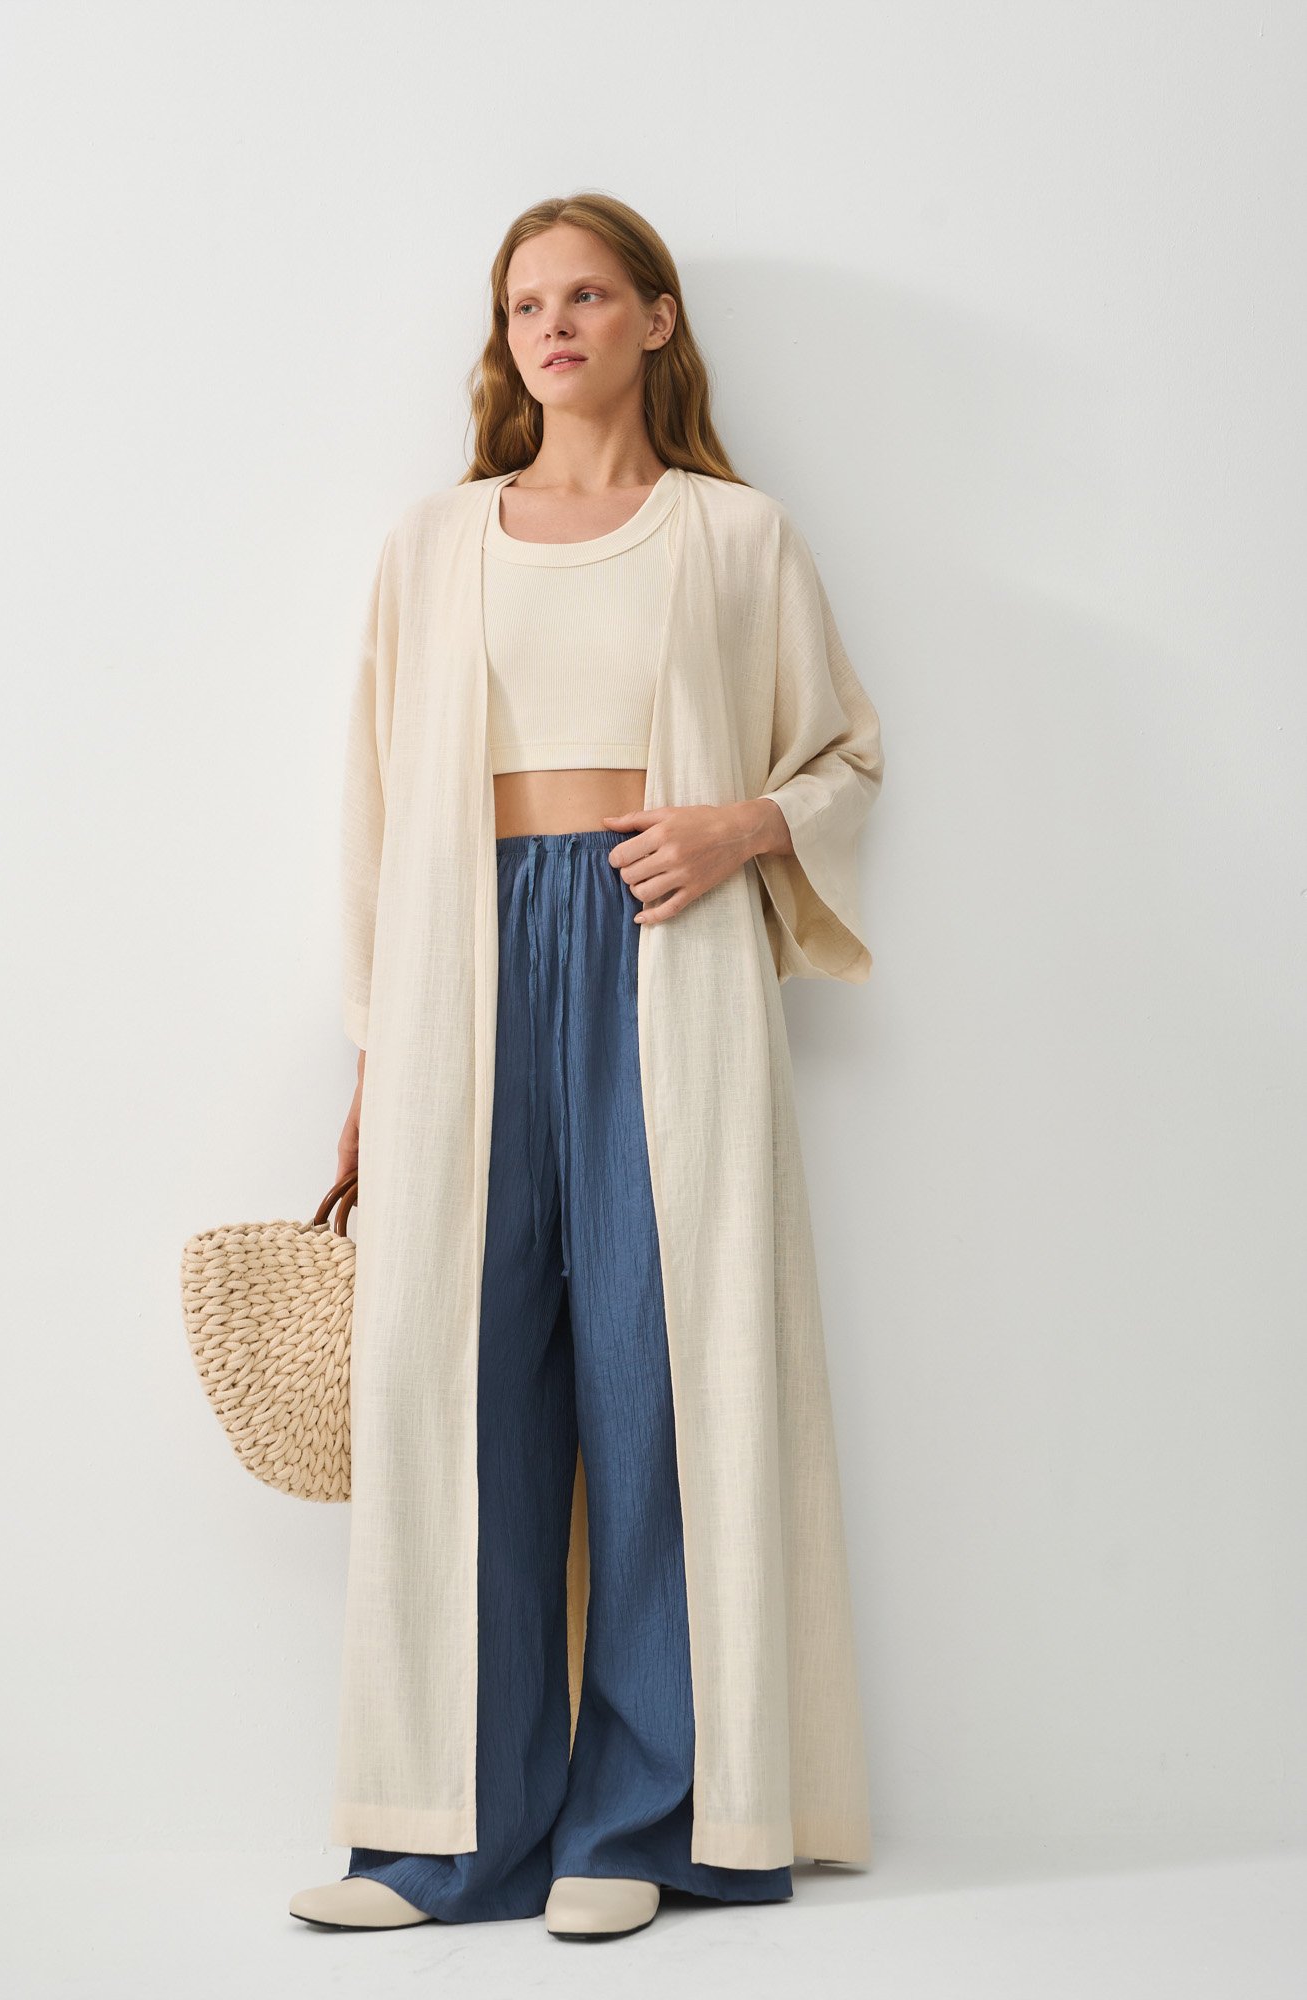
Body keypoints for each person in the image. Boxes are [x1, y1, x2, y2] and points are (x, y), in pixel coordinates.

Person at [290, 191, 884, 1941]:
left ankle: (642, 1817)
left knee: (658, 1376)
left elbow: (849, 753)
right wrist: (376, 1054)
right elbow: (375, 810)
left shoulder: (736, 537)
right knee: (459, 1387)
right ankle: (447, 1838)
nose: (551, 326)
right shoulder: (436, 542)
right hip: (464, 968)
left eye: (586, 295)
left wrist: (738, 827)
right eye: (523, 304)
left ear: (656, 318)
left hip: (662, 958)